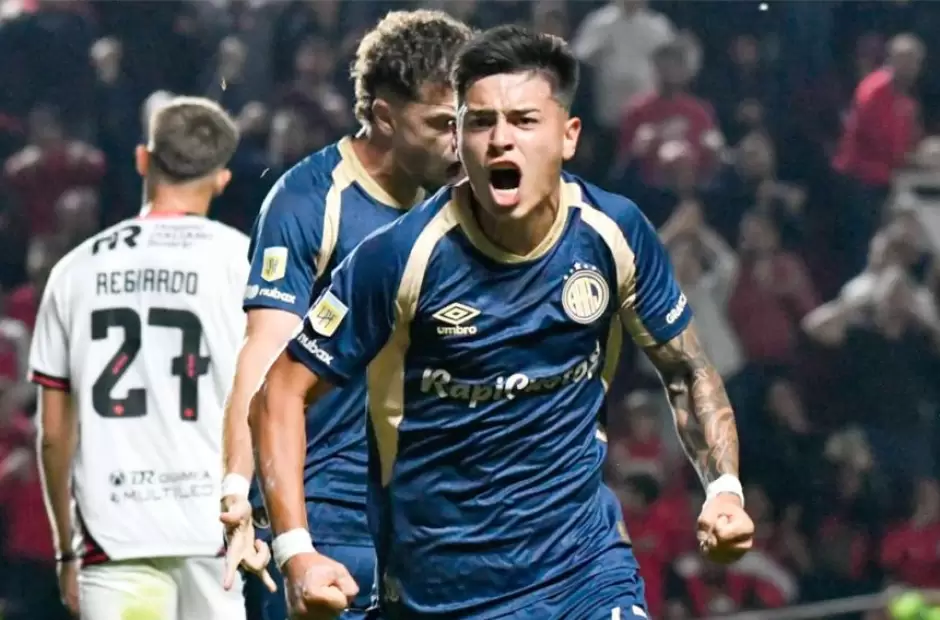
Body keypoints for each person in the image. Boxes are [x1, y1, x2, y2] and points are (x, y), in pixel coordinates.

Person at [255, 26, 755, 620]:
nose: (499, 141)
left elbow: (686, 369)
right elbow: (280, 392)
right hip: (438, 590)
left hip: (584, 570)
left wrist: (724, 490)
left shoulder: (613, 233)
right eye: (480, 122)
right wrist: (296, 552)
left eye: (523, 121)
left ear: (568, 136)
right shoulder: (399, 257)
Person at [219, 10, 473, 620]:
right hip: (325, 516)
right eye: (442, 123)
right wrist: (236, 489)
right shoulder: (313, 201)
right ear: (384, 116)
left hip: (431, 520)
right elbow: (263, 356)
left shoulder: (468, 206)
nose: (461, 141)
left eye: (467, 121)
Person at [29, 97, 250, 619]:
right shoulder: (243, 261)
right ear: (222, 179)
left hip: (113, 531)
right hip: (213, 528)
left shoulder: (74, 270)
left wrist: (66, 548)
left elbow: (55, 433)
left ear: (142, 159)